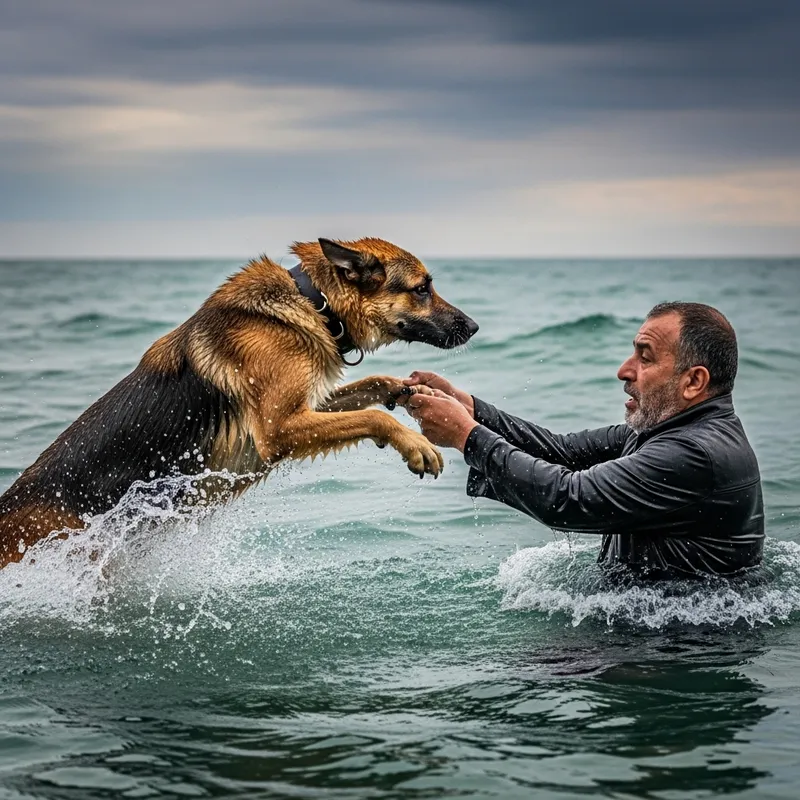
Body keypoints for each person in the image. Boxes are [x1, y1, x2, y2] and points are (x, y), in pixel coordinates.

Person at [400, 302, 765, 579]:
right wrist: (471, 409)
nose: (624, 370)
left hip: (678, 645)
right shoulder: (669, 432)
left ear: (693, 382)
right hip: (647, 624)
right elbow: (562, 452)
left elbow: (567, 499)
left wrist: (466, 435)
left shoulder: (693, 454)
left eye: (645, 357)